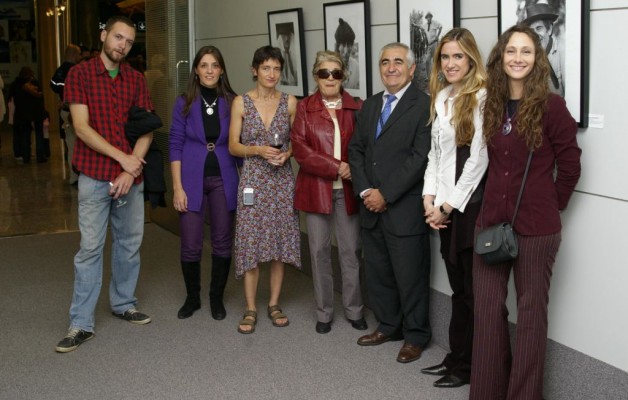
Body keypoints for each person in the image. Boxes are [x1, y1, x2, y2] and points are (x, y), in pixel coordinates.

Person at [469, 24, 581, 400]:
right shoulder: (490, 103)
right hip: (491, 224)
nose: (518, 58)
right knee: (486, 313)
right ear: (501, 57)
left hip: (536, 229)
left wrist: (551, 203)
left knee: (531, 317)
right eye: (511, 51)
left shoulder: (552, 107)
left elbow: (570, 166)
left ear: (537, 60)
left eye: (526, 52)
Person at [55, 16, 154, 353]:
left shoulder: (136, 79)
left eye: (128, 41)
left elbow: (147, 128)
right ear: (103, 35)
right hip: (94, 175)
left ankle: (123, 302)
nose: (122, 45)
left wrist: (130, 168)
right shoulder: (79, 74)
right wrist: (121, 159)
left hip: (130, 179)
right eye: (117, 37)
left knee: (129, 244)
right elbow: (81, 128)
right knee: (90, 249)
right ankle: (80, 323)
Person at [348, 42, 432, 363]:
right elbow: (356, 150)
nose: (391, 68)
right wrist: (367, 191)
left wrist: (386, 194)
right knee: (379, 271)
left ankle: (415, 336)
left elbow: (419, 157)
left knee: (410, 276)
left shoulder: (424, 105)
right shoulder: (369, 106)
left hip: (404, 208)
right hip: (372, 206)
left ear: (412, 69)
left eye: (398, 62)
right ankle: (388, 325)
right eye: (385, 62)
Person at [420, 28, 488, 388]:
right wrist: (429, 200)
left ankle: (472, 366)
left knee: (473, 292)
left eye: (458, 56)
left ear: (471, 59)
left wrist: (446, 205)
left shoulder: (482, 97)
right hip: (443, 207)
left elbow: (478, 161)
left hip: (470, 208)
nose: (450, 63)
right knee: (458, 289)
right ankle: (457, 357)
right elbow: (436, 155)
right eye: (445, 57)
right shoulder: (442, 96)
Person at [291, 50, 367, 334]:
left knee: (350, 252)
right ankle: (324, 313)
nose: (331, 78)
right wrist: (337, 167)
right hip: (316, 190)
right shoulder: (305, 108)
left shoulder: (357, 107)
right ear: (316, 76)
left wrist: (352, 170)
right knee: (319, 252)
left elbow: (363, 148)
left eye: (336, 73)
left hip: (347, 191)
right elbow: (300, 149)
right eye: (325, 73)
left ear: (343, 75)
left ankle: (355, 309)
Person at [228, 46, 300, 334]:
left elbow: (299, 141)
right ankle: (250, 308)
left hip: (281, 180)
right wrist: (257, 149)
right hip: (253, 180)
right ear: (254, 69)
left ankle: (273, 303)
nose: (271, 74)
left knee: (280, 244)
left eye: (276, 69)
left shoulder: (290, 102)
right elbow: (233, 144)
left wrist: (288, 154)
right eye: (266, 68)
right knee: (251, 241)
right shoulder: (241, 103)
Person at [169, 46, 240, 320]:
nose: (209, 70)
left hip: (225, 180)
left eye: (214, 65)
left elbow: (241, 145)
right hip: (190, 181)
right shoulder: (183, 102)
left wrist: (248, 189)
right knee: (190, 242)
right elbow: (175, 145)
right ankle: (192, 298)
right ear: (196, 71)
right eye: (204, 65)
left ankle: (216, 298)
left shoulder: (234, 102)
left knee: (223, 241)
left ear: (221, 70)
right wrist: (177, 187)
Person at [50, 43, 82, 184]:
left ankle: (73, 177)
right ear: (74, 55)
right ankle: (82, 175)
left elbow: (53, 86)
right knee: (81, 144)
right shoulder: (77, 70)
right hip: (77, 111)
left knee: (71, 145)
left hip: (65, 110)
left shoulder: (59, 71)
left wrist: (63, 97)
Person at [523, 0, 564, 96]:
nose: (535, 34)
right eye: (531, 30)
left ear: (549, 30)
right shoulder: (525, 57)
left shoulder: (561, 51)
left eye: (539, 28)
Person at [9, 66, 47, 163]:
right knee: (39, 134)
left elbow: (10, 98)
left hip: (22, 113)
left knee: (25, 135)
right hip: (36, 112)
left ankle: (26, 157)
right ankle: (40, 156)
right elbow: (41, 96)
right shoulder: (35, 82)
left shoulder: (15, 84)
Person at [334, 18, 359, 90]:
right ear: (338, 46)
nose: (346, 50)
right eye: (343, 45)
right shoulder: (330, 66)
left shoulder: (355, 66)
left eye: (349, 45)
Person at [423, 12, 443, 82]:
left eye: (430, 17)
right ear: (426, 18)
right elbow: (422, 31)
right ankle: (428, 77)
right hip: (428, 45)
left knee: (435, 60)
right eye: (427, 17)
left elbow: (440, 26)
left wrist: (437, 36)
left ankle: (437, 76)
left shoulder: (435, 23)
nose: (429, 18)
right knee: (427, 61)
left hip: (434, 44)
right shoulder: (424, 26)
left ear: (431, 17)